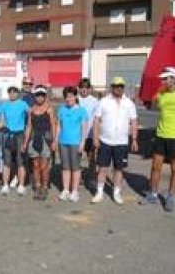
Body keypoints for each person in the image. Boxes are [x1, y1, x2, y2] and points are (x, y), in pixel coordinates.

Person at [142, 67, 175, 211]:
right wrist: (156, 95)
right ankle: (153, 194)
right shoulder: (162, 94)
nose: (163, 80)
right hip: (161, 135)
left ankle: (170, 197)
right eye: (163, 78)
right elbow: (154, 105)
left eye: (166, 78)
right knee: (156, 166)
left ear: (174, 79)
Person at [91, 77, 138, 205]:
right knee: (102, 168)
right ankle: (99, 192)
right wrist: (95, 138)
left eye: (121, 86)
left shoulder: (129, 103)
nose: (119, 88)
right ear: (112, 87)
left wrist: (134, 139)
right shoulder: (104, 101)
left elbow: (133, 121)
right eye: (116, 86)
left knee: (119, 169)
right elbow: (96, 120)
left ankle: (116, 193)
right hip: (105, 141)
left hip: (122, 143)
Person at [23, 85, 56, 200]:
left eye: (42, 95)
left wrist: (54, 141)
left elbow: (53, 125)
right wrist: (25, 142)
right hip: (34, 139)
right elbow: (28, 127)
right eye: (37, 95)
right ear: (34, 96)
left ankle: (45, 187)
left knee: (44, 166)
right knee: (35, 165)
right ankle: (37, 187)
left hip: (46, 139)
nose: (40, 97)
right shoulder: (31, 110)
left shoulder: (49, 109)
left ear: (45, 96)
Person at [57, 86, 88, 202]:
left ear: (75, 96)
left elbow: (84, 128)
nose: (68, 99)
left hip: (75, 143)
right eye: (66, 97)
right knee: (65, 167)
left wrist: (82, 143)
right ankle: (65, 190)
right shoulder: (61, 110)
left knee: (75, 168)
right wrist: (56, 140)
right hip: (63, 142)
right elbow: (59, 126)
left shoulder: (81, 110)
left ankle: (74, 191)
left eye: (70, 96)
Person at [0, 86, 30, 196]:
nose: (12, 94)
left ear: (18, 93)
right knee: (6, 161)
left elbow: (30, 120)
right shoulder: (4, 105)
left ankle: (21, 186)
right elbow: (2, 120)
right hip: (7, 135)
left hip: (19, 135)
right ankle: (5, 185)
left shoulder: (23, 104)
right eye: (10, 92)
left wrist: (26, 137)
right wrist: (0, 125)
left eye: (14, 92)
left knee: (20, 161)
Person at [78, 78, 99, 175]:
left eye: (86, 87)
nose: (84, 89)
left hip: (90, 135)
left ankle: (92, 176)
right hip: (78, 135)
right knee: (77, 157)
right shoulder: (76, 99)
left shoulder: (95, 101)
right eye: (82, 87)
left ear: (90, 89)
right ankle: (77, 177)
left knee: (91, 157)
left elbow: (97, 119)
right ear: (79, 88)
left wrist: (96, 135)